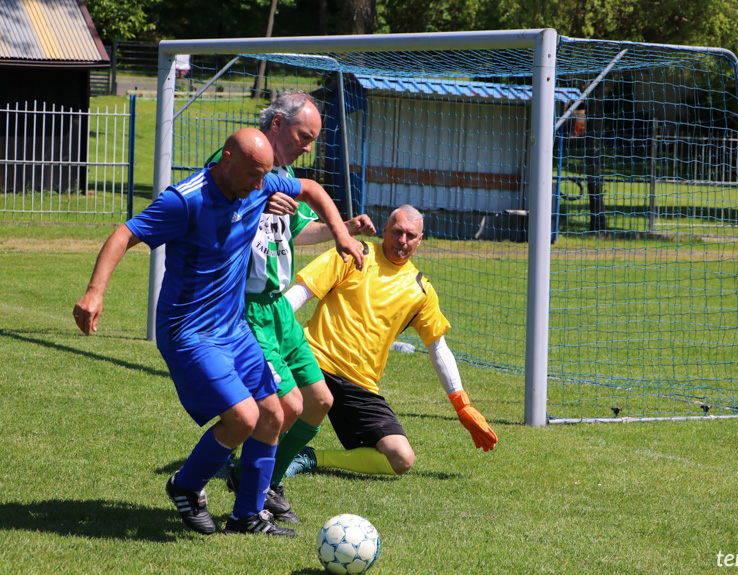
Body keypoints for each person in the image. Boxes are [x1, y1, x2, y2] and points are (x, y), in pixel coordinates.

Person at [72, 127, 364, 536]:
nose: (261, 186)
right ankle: (186, 485)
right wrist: (94, 292)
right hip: (188, 331)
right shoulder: (185, 199)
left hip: (233, 326)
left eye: (265, 176)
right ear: (226, 160)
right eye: (253, 175)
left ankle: (247, 515)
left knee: (273, 413)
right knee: (244, 417)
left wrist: (342, 234)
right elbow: (125, 234)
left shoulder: (257, 184)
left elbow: (311, 187)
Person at [209, 92, 376, 525]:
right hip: (246, 306)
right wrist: (256, 200)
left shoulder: (285, 176)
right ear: (278, 123)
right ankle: (250, 493)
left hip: (280, 308)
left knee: (320, 400)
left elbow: (297, 234)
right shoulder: (239, 158)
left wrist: (345, 229)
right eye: (304, 136)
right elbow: (213, 214)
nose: (308, 146)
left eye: (313, 140)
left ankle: (265, 480)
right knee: (287, 408)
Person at [282, 205, 498, 479]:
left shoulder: (421, 290)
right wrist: (269, 331)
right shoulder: (354, 253)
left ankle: (311, 458)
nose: (402, 241)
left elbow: (438, 348)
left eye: (410, 235)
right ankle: (238, 457)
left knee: (401, 457)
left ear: (421, 240)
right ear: (384, 230)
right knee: (274, 416)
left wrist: (462, 404)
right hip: (313, 361)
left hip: (360, 384)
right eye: (396, 232)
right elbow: (302, 293)